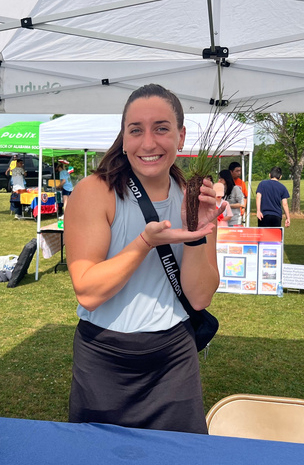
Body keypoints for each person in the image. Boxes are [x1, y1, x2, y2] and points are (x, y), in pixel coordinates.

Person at [64, 83, 223, 434]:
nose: (148, 143)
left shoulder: (196, 195)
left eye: (161, 129)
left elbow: (199, 297)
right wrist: (143, 243)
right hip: (104, 359)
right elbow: (88, 291)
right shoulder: (95, 192)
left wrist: (197, 231)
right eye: (136, 130)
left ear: (181, 136)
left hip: (174, 359)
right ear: (123, 138)